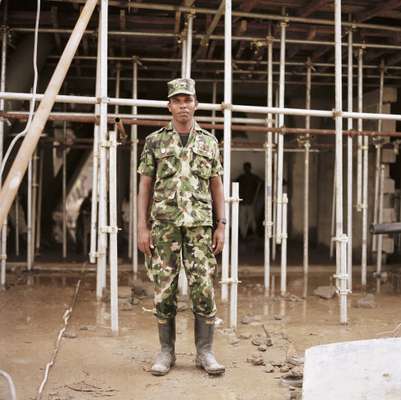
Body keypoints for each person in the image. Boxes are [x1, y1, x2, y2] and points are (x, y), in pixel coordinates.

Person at [137, 78, 226, 376]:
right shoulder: (154, 142)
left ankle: (205, 352)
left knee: (203, 288)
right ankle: (166, 352)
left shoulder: (210, 142)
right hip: (164, 227)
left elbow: (216, 184)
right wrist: (142, 227)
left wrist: (221, 225)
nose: (183, 105)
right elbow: (145, 186)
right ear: (170, 106)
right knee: (164, 289)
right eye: (177, 100)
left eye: (188, 100)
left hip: (199, 226)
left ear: (195, 104)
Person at [235, 162, 262, 239]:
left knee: (252, 219)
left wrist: (258, 191)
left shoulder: (253, 177)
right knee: (243, 219)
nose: (246, 169)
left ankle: (254, 233)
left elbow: (261, 182)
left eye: (247, 168)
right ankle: (243, 234)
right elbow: (235, 182)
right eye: (245, 168)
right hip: (243, 202)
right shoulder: (241, 178)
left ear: (250, 168)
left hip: (251, 202)